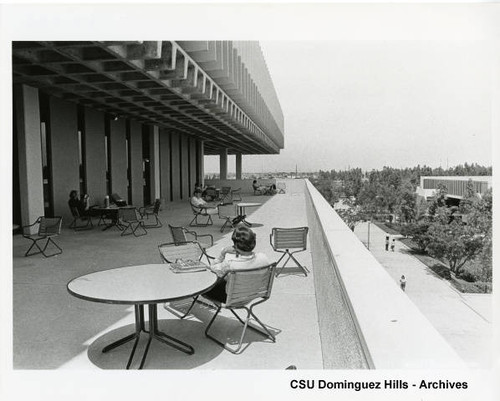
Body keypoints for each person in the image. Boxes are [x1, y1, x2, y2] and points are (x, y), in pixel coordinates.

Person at [204, 225, 270, 302]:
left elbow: (211, 269)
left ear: (235, 245)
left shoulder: (230, 263)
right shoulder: (263, 258)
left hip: (232, 298)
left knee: (205, 281)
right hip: (253, 294)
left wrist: (223, 252)